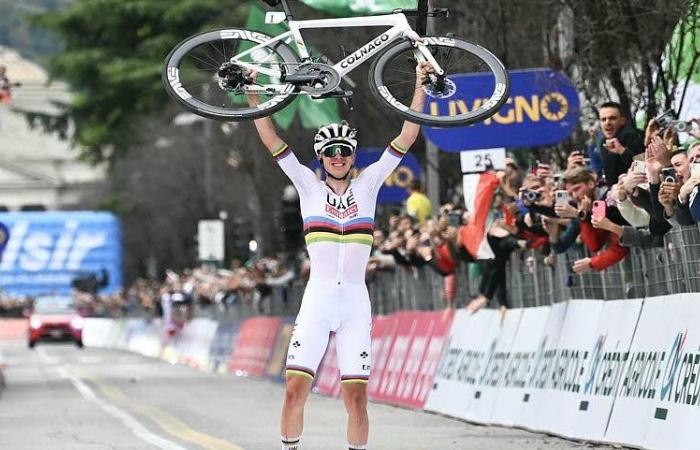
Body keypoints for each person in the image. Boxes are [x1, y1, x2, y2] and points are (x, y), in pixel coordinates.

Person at [248, 62, 432, 450]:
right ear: (321, 156)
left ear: (352, 156)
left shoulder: (369, 185)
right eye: (331, 152)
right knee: (294, 390)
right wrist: (252, 94)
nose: (338, 157)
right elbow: (270, 138)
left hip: (354, 305)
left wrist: (420, 83)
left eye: (344, 151)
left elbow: (409, 132)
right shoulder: (307, 188)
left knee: (356, 398)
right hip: (316, 304)